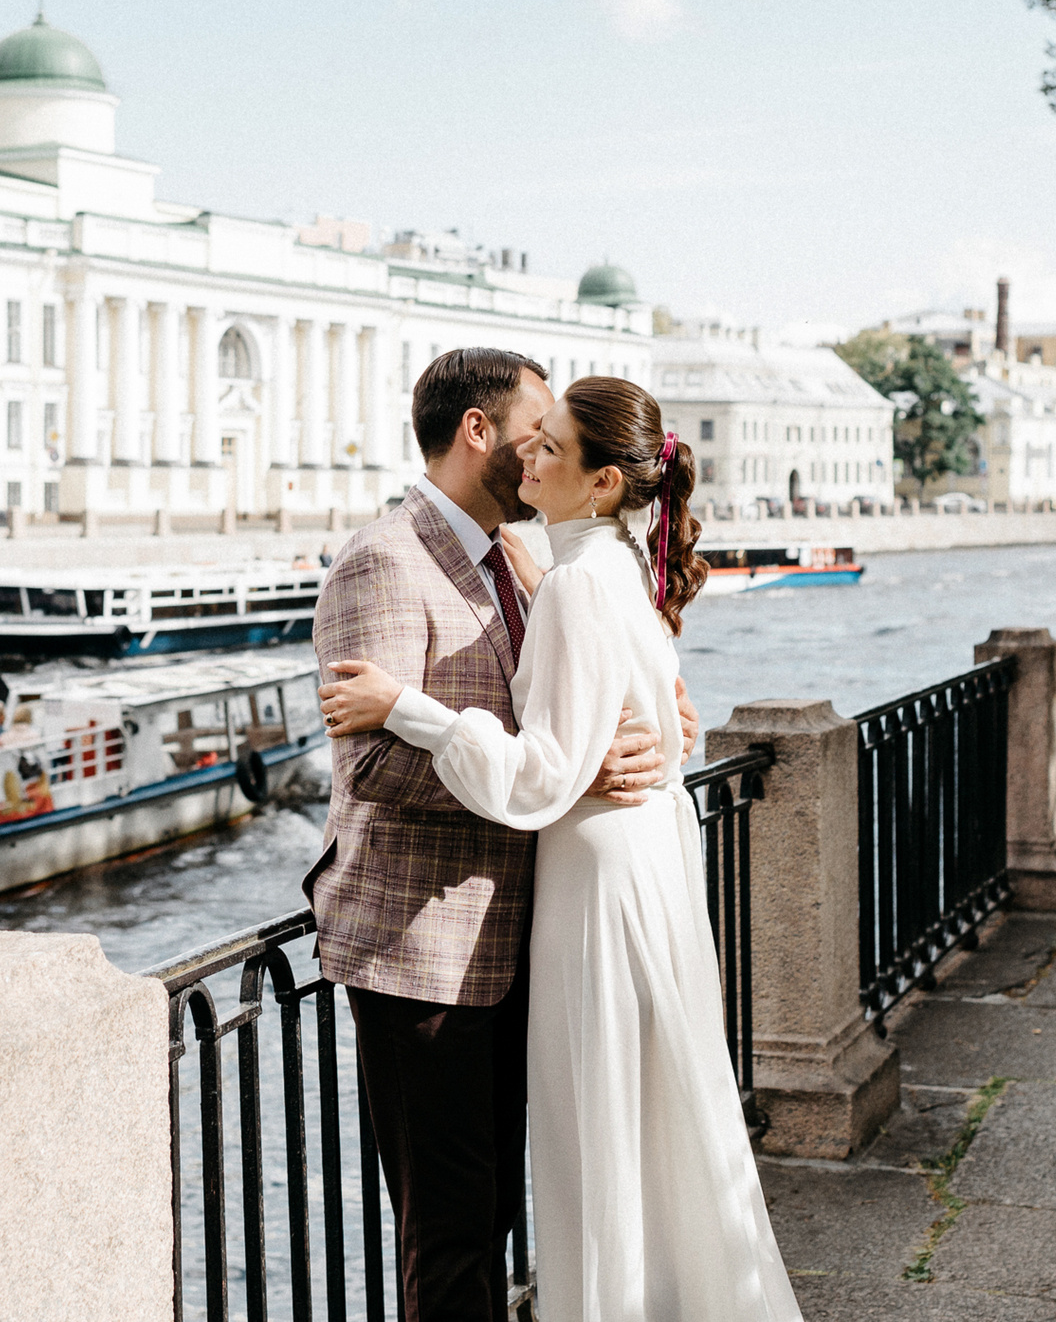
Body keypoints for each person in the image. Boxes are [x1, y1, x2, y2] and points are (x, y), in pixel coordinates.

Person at [321, 374, 799, 1322]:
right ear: (476, 430)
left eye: (553, 441)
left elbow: (597, 709)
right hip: (431, 947)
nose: (535, 451)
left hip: (551, 919)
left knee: (559, 1181)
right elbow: (370, 765)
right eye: (529, 433)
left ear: (605, 480)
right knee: (473, 1223)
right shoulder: (387, 559)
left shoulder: (550, 564)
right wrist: (581, 770)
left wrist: (660, 730)